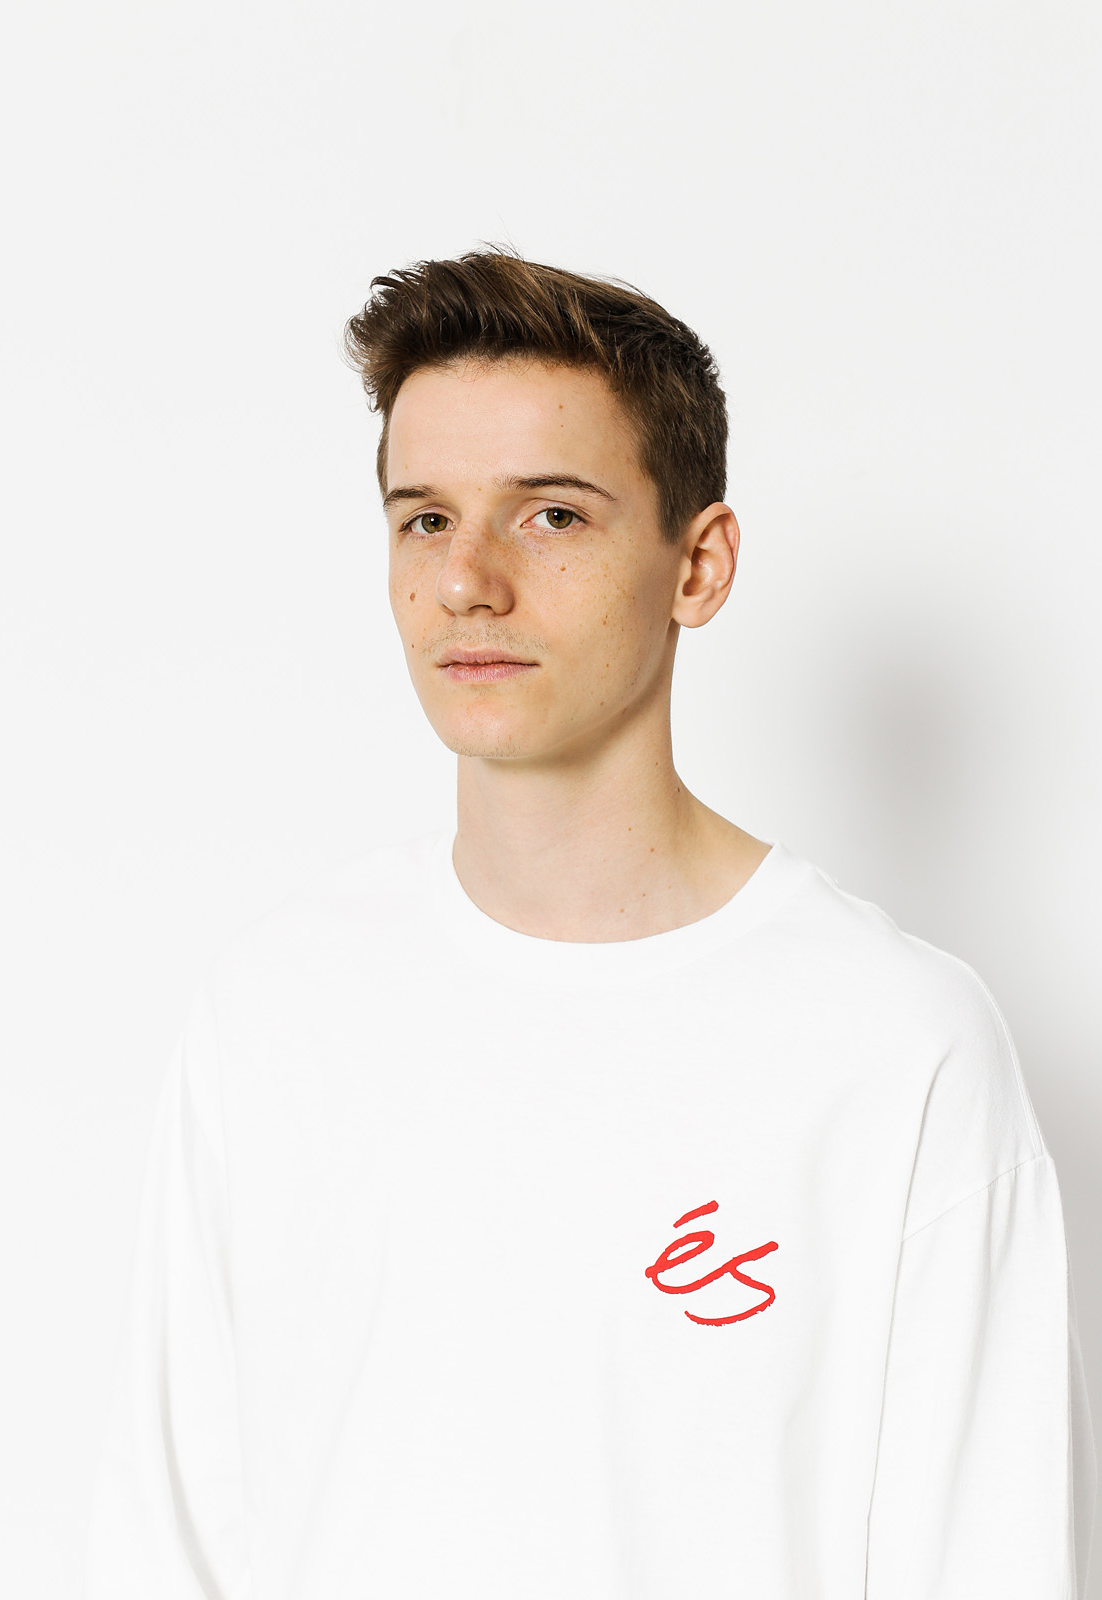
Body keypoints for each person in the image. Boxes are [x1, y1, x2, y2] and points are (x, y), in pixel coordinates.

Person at [85, 246, 1097, 1599]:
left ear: (700, 565)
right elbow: (168, 1552)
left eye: (551, 515)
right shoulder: (278, 1013)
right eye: (424, 520)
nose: (467, 581)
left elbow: (992, 1562)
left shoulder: (895, 1048)